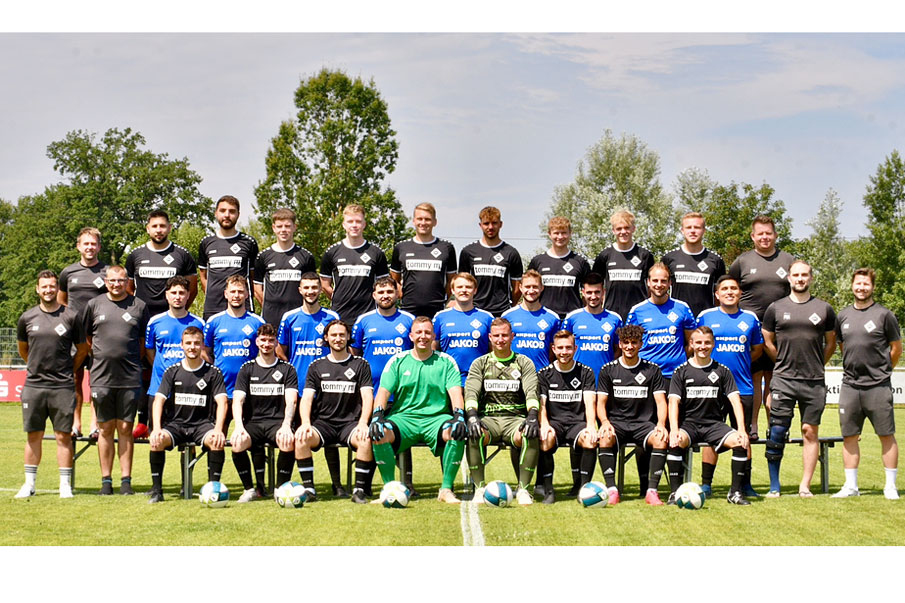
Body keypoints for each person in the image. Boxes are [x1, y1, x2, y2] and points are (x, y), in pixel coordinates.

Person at [369, 316, 466, 504]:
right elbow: (383, 391)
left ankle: (446, 490)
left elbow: (456, 392)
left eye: (427, 332)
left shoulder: (446, 361)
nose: (423, 336)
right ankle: (389, 489)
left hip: (436, 418)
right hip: (404, 419)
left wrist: (459, 416)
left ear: (434, 336)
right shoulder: (398, 360)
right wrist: (377, 416)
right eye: (419, 332)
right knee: (379, 432)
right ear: (411, 336)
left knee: (456, 431)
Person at [761, 260, 836, 498]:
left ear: (811, 278)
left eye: (804, 275)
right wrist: (782, 361)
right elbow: (767, 340)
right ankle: (774, 486)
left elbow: (831, 343)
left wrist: (817, 364)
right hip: (784, 380)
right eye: (796, 275)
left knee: (809, 431)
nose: (800, 278)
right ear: (789, 278)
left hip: (813, 381)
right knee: (776, 432)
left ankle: (805, 485)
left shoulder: (824, 309)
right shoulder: (775, 308)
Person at [14, 270, 90, 499]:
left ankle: (64, 485)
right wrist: (36, 367)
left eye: (52, 286)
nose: (48, 290)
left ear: (58, 289)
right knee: (33, 436)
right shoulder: (27, 318)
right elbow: (23, 350)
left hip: (62, 387)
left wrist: (68, 370)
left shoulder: (71, 317)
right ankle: (29, 484)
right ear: (37, 289)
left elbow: (83, 349)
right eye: (44, 286)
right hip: (34, 386)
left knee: (63, 436)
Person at [624, 262, 695, 494]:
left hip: (674, 378)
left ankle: (678, 484)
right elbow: (629, 342)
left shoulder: (682, 308)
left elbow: (691, 342)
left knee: (676, 429)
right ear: (648, 282)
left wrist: (680, 364)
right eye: (655, 280)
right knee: (646, 430)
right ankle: (646, 485)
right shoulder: (637, 310)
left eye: (663, 280)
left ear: (670, 283)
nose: (659, 284)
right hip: (645, 379)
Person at [832, 268, 901, 499]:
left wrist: (883, 371)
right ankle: (851, 486)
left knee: (886, 435)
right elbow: (844, 347)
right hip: (850, 386)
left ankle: (890, 486)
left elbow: (896, 349)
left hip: (878, 386)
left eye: (866, 284)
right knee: (849, 436)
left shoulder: (884, 315)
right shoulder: (842, 316)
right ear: (852, 285)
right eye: (858, 283)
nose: (862, 288)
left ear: (872, 287)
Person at [82, 265, 150, 495]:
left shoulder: (139, 306)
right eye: (112, 280)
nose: (116, 284)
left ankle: (126, 481)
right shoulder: (94, 305)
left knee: (125, 428)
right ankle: (106, 481)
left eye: (120, 280)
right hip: (101, 377)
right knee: (105, 429)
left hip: (129, 377)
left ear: (127, 281)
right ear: (106, 281)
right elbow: (88, 338)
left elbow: (142, 342)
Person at [276, 272, 344, 495]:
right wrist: (293, 371)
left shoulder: (331, 316)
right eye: (306, 288)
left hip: (326, 390)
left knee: (330, 436)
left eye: (314, 287)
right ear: (300, 290)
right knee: (294, 435)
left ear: (320, 290)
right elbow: (280, 350)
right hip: (298, 389)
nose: (311, 291)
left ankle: (337, 485)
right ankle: (283, 485)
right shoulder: (290, 317)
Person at [666, 326, 751, 505]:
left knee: (740, 442)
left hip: (714, 425)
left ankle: (735, 493)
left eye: (707, 343)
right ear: (691, 344)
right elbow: (673, 402)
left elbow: (735, 401)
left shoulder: (722, 371)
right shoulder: (681, 371)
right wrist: (674, 430)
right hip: (689, 425)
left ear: (713, 344)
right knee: (675, 441)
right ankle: (675, 492)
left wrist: (742, 430)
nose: (702, 346)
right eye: (698, 342)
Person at [728, 215, 795, 439]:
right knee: (755, 379)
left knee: (775, 379)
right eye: (760, 233)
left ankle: (775, 427)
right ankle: (753, 426)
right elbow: (729, 289)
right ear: (753, 236)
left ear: (775, 235)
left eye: (768, 233)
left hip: (780, 331)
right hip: (750, 331)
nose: (764, 237)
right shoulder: (742, 262)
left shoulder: (788, 260)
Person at [696, 275, 763, 497]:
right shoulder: (706, 316)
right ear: (717, 294)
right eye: (724, 289)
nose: (729, 292)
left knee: (743, 435)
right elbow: (697, 345)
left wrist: (739, 363)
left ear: (740, 293)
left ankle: (745, 484)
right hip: (712, 388)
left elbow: (757, 349)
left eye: (733, 288)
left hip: (742, 387)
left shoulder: (750, 318)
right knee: (710, 435)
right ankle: (706, 484)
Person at [295, 320, 375, 504]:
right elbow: (306, 398)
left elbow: (367, 396)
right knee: (301, 438)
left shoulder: (360, 364)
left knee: (365, 439)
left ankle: (359, 491)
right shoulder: (316, 366)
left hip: (351, 424)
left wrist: (363, 423)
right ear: (326, 338)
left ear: (348, 337)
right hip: (324, 424)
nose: (338, 339)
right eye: (333, 335)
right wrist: (305, 423)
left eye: (341, 335)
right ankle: (309, 490)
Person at [464, 317, 541, 505]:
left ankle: (523, 489)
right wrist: (472, 415)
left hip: (515, 420)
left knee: (530, 433)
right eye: (496, 336)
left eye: (505, 335)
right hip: (488, 419)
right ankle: (479, 488)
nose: (500, 340)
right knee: (474, 432)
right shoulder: (480, 363)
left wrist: (532, 415)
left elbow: (531, 391)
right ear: (490, 337)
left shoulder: (523, 362)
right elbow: (471, 391)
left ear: (512, 336)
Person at [147, 326, 228, 503]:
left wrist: (218, 429)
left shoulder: (213, 372)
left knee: (216, 440)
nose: (192, 347)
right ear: (182, 345)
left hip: (202, 425)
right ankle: (157, 491)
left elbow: (222, 402)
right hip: (176, 425)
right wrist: (157, 429)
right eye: (189, 343)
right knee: (157, 440)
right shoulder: (172, 371)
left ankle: (213, 489)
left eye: (197, 343)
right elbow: (158, 400)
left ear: (202, 346)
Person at [596, 325, 669, 505]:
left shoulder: (652, 370)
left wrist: (661, 424)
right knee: (604, 438)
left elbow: (661, 401)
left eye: (634, 342)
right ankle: (612, 490)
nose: (630, 346)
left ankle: (652, 491)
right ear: (620, 344)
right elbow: (601, 403)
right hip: (617, 424)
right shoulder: (608, 370)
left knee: (660, 439)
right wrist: (604, 422)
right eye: (626, 342)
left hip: (643, 424)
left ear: (640, 344)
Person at [229, 324, 298, 502]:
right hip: (253, 423)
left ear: (276, 343)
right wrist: (239, 427)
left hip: (277, 423)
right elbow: (238, 400)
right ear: (257, 341)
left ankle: (280, 489)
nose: (266, 344)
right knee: (237, 442)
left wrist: (286, 425)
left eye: (270, 340)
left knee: (288, 440)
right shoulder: (247, 368)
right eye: (263, 340)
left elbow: (291, 400)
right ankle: (249, 490)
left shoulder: (287, 369)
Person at [136, 276, 205, 439]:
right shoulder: (154, 322)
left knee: (189, 439)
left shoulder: (199, 323)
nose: (177, 297)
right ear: (166, 295)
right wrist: (165, 371)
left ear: (188, 295)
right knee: (156, 437)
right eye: (173, 293)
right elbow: (149, 351)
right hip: (159, 388)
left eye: (182, 293)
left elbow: (202, 353)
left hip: (188, 390)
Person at [536, 331, 598, 504]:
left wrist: (591, 426)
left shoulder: (585, 372)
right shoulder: (544, 374)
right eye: (560, 348)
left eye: (568, 348)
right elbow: (542, 404)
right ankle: (549, 491)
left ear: (575, 348)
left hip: (577, 424)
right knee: (545, 438)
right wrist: (545, 425)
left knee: (590, 439)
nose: (564, 352)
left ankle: (584, 490)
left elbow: (590, 402)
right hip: (555, 423)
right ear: (553, 349)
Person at [58, 226, 108, 439]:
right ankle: (75, 423)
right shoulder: (68, 272)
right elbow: (61, 301)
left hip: (100, 335)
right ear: (78, 246)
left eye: (93, 243)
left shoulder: (107, 272)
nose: (90, 247)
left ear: (99, 247)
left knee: (97, 381)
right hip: (74, 337)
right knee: (74, 379)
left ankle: (94, 425)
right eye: (86, 243)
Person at [202, 274, 266, 433]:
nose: (236, 295)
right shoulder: (214, 322)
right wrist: (215, 373)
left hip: (248, 390)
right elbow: (204, 352)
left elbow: (266, 353)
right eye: (232, 291)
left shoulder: (257, 322)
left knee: (250, 436)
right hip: (221, 389)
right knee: (217, 435)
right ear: (226, 294)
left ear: (247, 294)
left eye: (240, 291)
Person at [320, 203, 390, 324]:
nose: (354, 225)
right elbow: (325, 285)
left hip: (369, 316)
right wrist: (340, 299)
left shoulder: (376, 252)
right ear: (344, 224)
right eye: (350, 221)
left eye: (358, 221)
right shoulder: (331, 252)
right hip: (340, 315)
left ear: (364, 224)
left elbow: (383, 285)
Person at [125, 210, 198, 319]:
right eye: (154, 226)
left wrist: (179, 311)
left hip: (172, 317)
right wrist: (136, 309)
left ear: (169, 228)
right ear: (148, 229)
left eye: (162, 226)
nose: (158, 230)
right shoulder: (135, 255)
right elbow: (128, 288)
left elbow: (192, 290)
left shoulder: (183, 254)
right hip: (141, 317)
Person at [390, 202, 457, 319]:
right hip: (408, 310)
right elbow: (394, 279)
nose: (423, 223)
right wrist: (400, 294)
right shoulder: (401, 247)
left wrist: (446, 299)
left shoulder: (446, 247)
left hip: (437, 310)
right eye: (419, 219)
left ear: (435, 222)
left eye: (427, 219)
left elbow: (452, 280)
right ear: (414, 221)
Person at [198, 195, 259, 320]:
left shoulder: (249, 242)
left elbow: (253, 278)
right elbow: (203, 276)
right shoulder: (206, 243)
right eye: (222, 211)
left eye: (232, 211)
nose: (227, 215)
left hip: (243, 308)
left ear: (238, 215)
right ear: (216, 213)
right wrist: (213, 294)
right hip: (213, 308)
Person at [253, 208, 316, 327]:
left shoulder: (306, 256)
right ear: (273, 228)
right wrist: (269, 307)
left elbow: (312, 288)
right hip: (271, 318)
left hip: (298, 318)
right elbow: (257, 288)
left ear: (294, 227)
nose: (283, 230)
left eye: (287, 226)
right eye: (279, 226)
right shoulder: (263, 256)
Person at [350, 277, 415, 390]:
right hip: (370, 387)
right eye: (381, 292)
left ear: (397, 294)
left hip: (403, 386)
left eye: (389, 292)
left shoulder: (410, 320)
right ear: (374, 295)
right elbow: (353, 352)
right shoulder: (363, 320)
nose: (385, 296)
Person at [457, 206, 523, 316]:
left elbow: (517, 287)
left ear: (500, 224)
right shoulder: (468, 252)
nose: (490, 227)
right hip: (474, 311)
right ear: (480, 225)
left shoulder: (511, 252)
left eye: (494, 223)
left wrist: (511, 306)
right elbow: (462, 283)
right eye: (486, 223)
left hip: (502, 312)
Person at [592, 210, 655, 322]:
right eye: (619, 229)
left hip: (639, 315)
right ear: (613, 230)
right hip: (611, 316)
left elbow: (652, 287)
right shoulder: (604, 256)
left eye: (627, 228)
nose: (623, 232)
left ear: (633, 229)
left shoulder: (645, 255)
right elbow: (595, 287)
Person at [432, 272, 494, 385]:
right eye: (460, 287)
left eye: (468, 287)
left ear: (475, 290)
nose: (464, 290)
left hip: (479, 379)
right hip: (448, 379)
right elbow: (433, 349)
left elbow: (493, 350)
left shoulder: (487, 317)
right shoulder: (440, 317)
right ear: (452, 290)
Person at [661, 211, 725, 318]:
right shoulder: (669, 258)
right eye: (688, 227)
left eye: (697, 227)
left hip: (705, 320)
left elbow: (720, 295)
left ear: (704, 230)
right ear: (682, 230)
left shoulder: (715, 260)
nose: (692, 231)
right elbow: (659, 290)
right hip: (676, 318)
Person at [527, 216, 590, 319]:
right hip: (543, 317)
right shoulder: (538, 261)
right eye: (556, 233)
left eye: (564, 233)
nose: (560, 237)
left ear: (570, 233)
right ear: (549, 234)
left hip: (572, 318)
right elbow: (529, 290)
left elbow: (588, 292)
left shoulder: (580, 261)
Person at [562, 272, 623, 373]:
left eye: (597, 292)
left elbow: (619, 349)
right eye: (589, 292)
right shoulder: (571, 318)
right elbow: (562, 348)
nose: (593, 297)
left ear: (603, 292)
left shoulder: (615, 319)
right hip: (578, 377)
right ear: (583, 292)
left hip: (605, 377)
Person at [501, 270, 561, 372]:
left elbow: (553, 351)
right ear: (521, 287)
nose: (531, 290)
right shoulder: (507, 316)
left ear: (542, 288)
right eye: (527, 287)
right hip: (513, 374)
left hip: (541, 375)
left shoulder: (553, 317)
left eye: (535, 287)